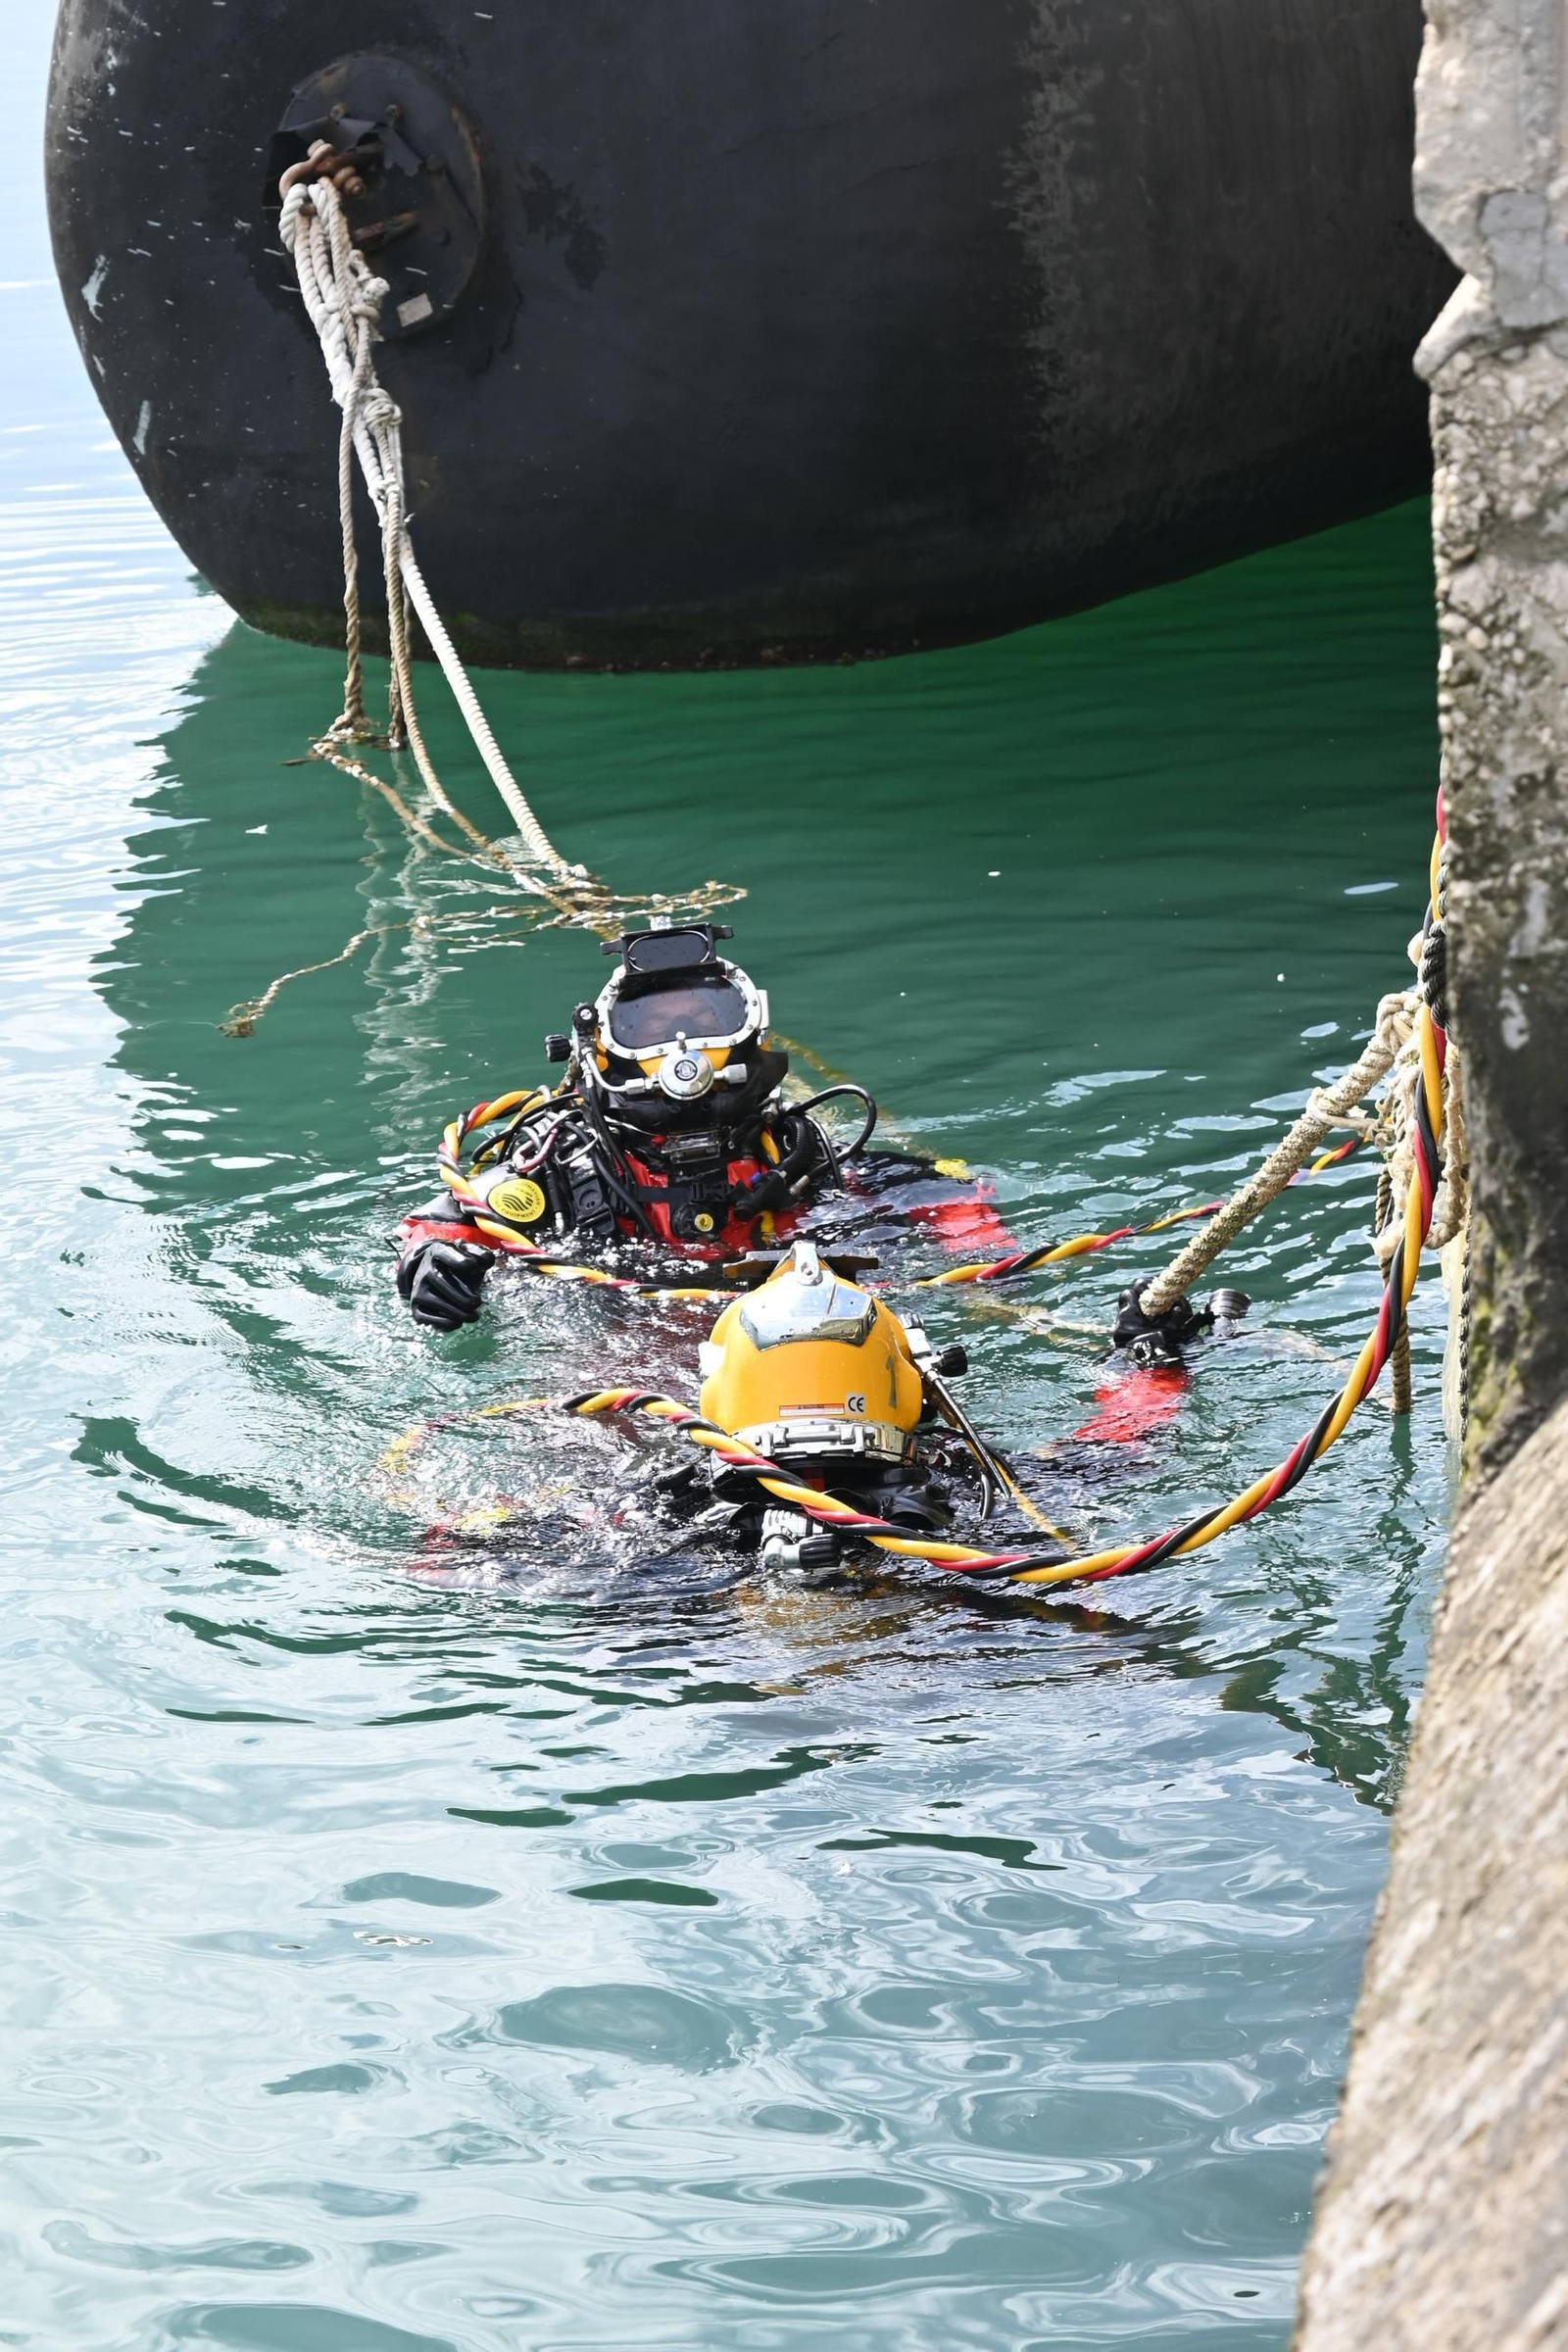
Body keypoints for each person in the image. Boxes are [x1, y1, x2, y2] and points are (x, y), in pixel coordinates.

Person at [395, 922, 998, 1331]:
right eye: (650, 1029)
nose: (682, 1052)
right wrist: (431, 1263)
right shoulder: (559, 1164)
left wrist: (988, 1266)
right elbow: (448, 1223)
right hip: (623, 1370)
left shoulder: (795, 1154)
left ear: (750, 1030)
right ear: (602, 1046)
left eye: (704, 1022)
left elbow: (939, 1195)